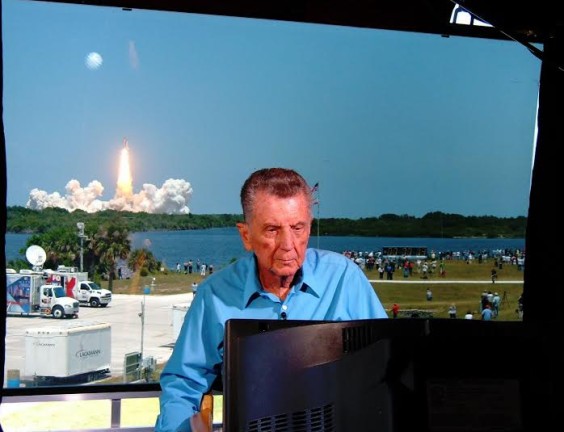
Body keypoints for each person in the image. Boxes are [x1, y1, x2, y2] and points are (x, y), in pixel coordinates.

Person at [155, 168, 388, 432]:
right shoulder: (215, 296)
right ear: (246, 236)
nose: (288, 244)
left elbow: (385, 366)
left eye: (298, 228)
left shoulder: (345, 280)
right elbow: (183, 383)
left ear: (309, 227)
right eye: (272, 230)